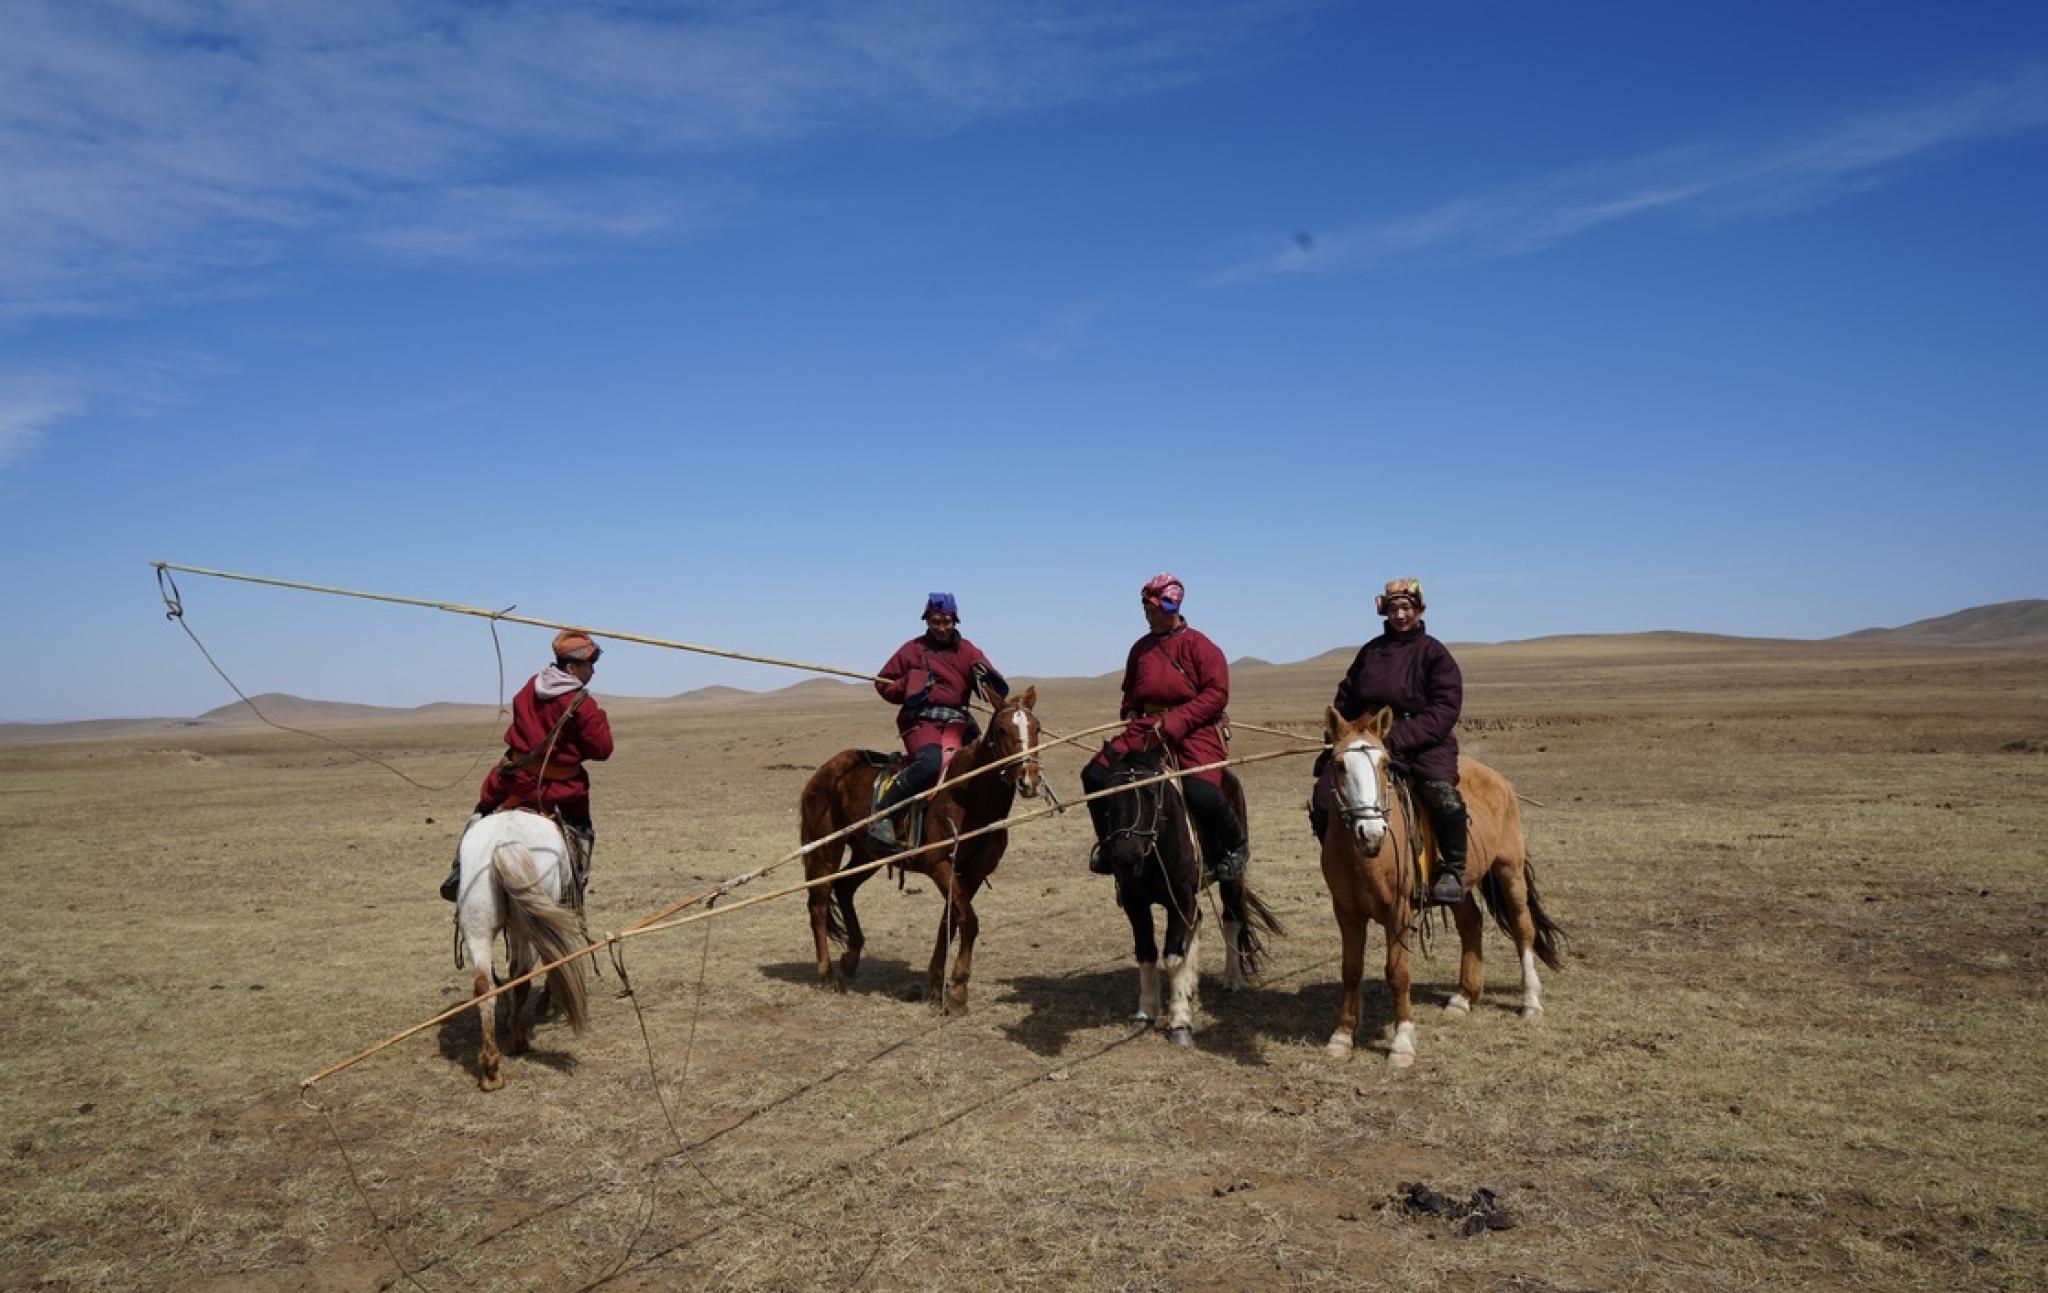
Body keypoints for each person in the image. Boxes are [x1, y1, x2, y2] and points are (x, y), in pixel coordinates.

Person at [1310, 577, 1468, 905]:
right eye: (1394, 608)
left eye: (1406, 608)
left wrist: (1397, 738)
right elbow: (1346, 698)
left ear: (1419, 610)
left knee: (1441, 793)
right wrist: (1340, 737)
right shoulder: (1371, 652)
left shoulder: (1434, 654)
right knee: (1324, 796)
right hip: (1368, 742)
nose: (1399, 615)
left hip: (1422, 741)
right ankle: (1344, 860)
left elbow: (1444, 708)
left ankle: (1452, 867)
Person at [1082, 573, 1249, 881]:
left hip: (1195, 729)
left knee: (1201, 792)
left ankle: (1236, 846)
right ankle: (1109, 846)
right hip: (1147, 729)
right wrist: (1130, 709)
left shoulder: (1202, 646)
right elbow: (1131, 690)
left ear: (1171, 609)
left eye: (1154, 612)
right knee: (1093, 774)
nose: (1149, 617)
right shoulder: (1140, 649)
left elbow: (1216, 695)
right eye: (1146, 612)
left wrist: (1176, 720)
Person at [441, 630, 615, 900]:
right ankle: (576, 884)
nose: (593, 671)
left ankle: (459, 870)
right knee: (581, 828)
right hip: (561, 789)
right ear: (571, 667)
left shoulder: (529, 687)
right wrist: (596, 720)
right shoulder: (583, 704)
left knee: (484, 811)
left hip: (514, 780)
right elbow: (602, 750)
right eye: (589, 665)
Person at [870, 593, 1008, 847]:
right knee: (930, 764)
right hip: (921, 721)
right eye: (935, 622)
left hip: (957, 722)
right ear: (927, 621)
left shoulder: (968, 651)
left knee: (985, 765)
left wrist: (985, 677)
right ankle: (883, 814)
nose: (942, 628)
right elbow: (882, 684)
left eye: (946, 622)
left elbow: (994, 686)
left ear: (955, 620)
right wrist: (909, 684)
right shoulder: (912, 649)